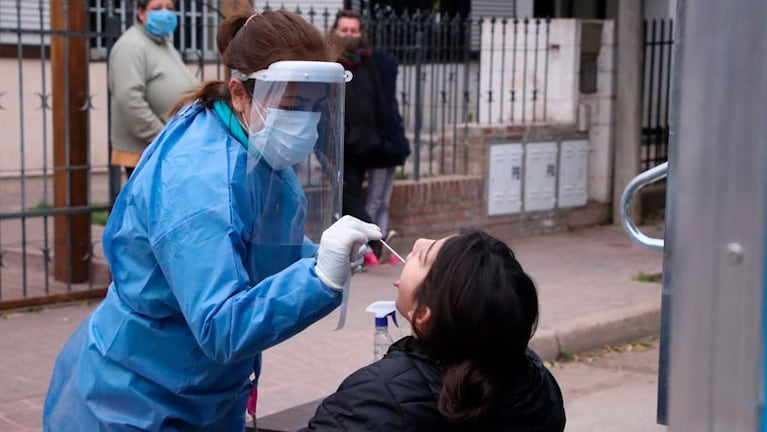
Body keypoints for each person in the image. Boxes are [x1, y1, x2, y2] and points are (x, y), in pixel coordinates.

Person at [43, 9, 382, 431]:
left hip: (203, 391)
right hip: (137, 400)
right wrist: (319, 279)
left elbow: (260, 253)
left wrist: (322, 255)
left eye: (315, 106)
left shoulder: (256, 149)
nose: (306, 121)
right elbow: (221, 325)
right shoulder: (197, 185)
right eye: (294, 105)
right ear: (239, 92)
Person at [301, 230, 566, 431]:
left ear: (423, 312)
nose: (418, 243)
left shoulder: (377, 397)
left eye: (423, 259)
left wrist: (313, 280)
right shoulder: (535, 380)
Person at [330, 10, 410, 265]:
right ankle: (369, 245)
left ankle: (367, 249)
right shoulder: (330, 63)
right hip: (339, 145)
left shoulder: (369, 62)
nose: (350, 35)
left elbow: (381, 102)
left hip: (367, 144)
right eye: (345, 30)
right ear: (335, 31)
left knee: (372, 199)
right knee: (347, 199)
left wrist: (381, 137)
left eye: (354, 30)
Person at [108, 0, 197, 179]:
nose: (165, 14)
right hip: (148, 150)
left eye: (170, 9)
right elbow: (129, 100)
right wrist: (163, 136)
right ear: (141, 13)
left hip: (169, 146)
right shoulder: (131, 45)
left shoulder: (163, 43)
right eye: (157, 8)